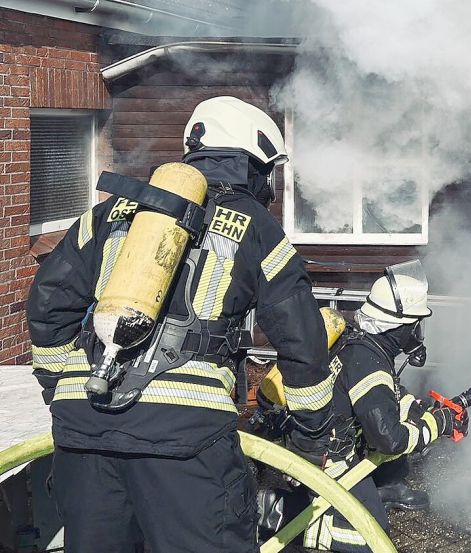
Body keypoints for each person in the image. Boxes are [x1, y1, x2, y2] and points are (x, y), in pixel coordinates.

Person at [27, 96, 337, 553]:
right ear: (251, 163)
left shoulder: (110, 213)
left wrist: (60, 388)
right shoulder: (256, 227)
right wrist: (312, 435)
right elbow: (302, 338)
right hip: (185, 440)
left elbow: (48, 303)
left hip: (84, 428)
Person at [257, 261, 467, 551]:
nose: (418, 331)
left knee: (367, 519)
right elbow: (390, 439)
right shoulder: (370, 364)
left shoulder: (362, 345)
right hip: (328, 463)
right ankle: (279, 512)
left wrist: (421, 411)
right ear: (399, 325)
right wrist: (438, 425)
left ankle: (293, 510)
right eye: (415, 324)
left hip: (316, 447)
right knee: (367, 533)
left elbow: (385, 397)